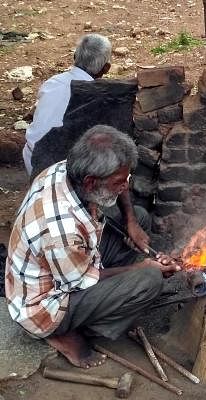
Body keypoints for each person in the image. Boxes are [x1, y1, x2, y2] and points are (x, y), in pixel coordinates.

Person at [5, 125, 181, 369]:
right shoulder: (60, 228)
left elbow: (121, 182)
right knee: (149, 279)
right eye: (119, 182)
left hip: (71, 260)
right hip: (44, 305)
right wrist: (144, 267)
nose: (124, 186)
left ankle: (112, 294)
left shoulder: (69, 169)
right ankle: (69, 332)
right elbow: (84, 280)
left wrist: (130, 222)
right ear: (90, 182)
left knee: (139, 216)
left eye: (126, 179)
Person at [23, 33, 112, 176]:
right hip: (57, 166)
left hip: (31, 156)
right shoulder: (96, 96)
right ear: (106, 68)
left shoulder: (53, 81)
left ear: (75, 57)